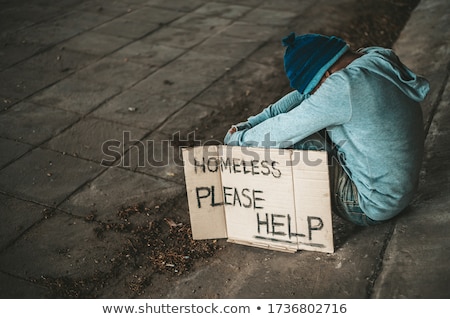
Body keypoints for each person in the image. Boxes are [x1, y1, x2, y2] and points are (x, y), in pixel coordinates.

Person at [224, 32, 430, 226]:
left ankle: (286, 223)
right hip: (398, 191)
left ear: (326, 75)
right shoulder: (374, 58)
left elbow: (283, 129)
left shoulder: (344, 87)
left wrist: (236, 141)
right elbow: (300, 99)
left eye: (315, 90)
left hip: (373, 204)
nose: (314, 96)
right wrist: (249, 124)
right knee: (310, 121)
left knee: (296, 142)